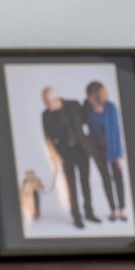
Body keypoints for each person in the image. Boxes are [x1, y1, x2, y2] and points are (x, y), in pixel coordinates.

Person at [38, 83, 96, 227]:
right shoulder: (46, 115)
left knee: (85, 183)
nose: (46, 105)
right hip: (65, 153)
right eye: (44, 102)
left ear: (56, 98)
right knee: (71, 185)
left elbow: (87, 119)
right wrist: (53, 155)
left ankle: (89, 212)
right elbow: (47, 138)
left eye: (47, 101)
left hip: (81, 150)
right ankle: (76, 216)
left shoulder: (74, 105)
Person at [84, 79, 128, 222]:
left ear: (96, 95)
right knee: (106, 179)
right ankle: (112, 210)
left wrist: (120, 155)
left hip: (113, 147)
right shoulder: (88, 109)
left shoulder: (111, 107)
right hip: (98, 150)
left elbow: (116, 131)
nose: (88, 98)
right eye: (87, 95)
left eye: (90, 95)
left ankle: (122, 209)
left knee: (118, 179)